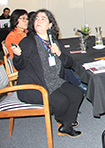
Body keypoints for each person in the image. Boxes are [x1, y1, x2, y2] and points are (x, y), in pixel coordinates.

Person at [12, 9, 84, 137]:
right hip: (35, 84)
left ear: (50, 25)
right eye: (36, 19)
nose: (38, 21)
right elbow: (20, 65)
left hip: (55, 81)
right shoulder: (28, 42)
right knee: (62, 102)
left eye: (43, 18)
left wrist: (60, 53)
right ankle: (62, 120)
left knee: (77, 94)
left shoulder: (55, 42)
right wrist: (17, 56)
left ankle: (66, 125)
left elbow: (68, 63)